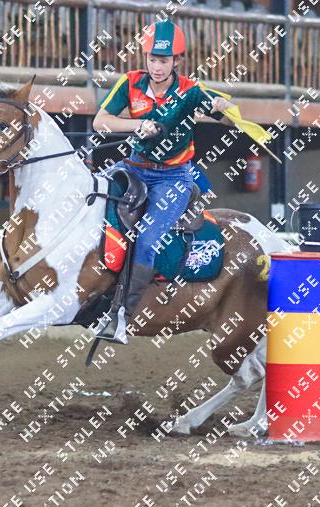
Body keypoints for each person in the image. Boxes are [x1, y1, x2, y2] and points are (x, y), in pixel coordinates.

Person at [91, 19, 242, 344]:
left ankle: (122, 317)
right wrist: (138, 125)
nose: (157, 67)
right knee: (90, 200)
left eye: (163, 61)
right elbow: (100, 121)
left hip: (172, 178)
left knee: (147, 240)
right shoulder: (130, 82)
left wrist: (223, 106)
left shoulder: (190, 90)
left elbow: (230, 119)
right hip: (132, 167)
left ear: (176, 61)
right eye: (152, 60)